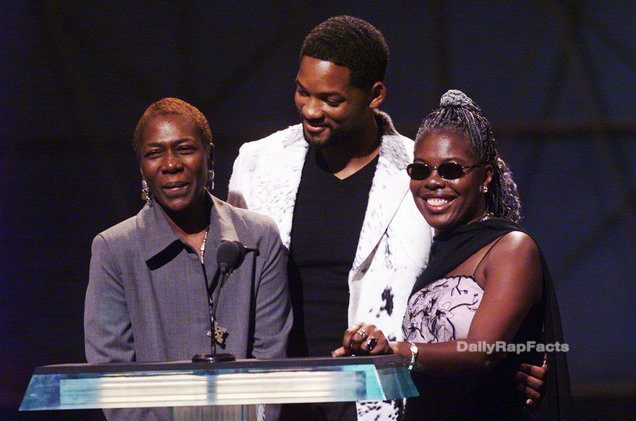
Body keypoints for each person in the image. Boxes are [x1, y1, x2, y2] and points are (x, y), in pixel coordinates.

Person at [228, 15, 546, 420]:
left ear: (374, 95)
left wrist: (522, 359)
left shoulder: (424, 173)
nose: (311, 110)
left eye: (331, 99)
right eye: (301, 91)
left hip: (380, 397)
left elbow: (479, 276)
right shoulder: (257, 163)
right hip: (277, 391)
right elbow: (234, 283)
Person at [334, 90, 571, 419]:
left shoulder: (510, 248)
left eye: (451, 170)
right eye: (420, 170)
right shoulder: (435, 253)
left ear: (485, 177)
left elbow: (482, 353)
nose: (432, 181)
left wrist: (401, 351)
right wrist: (371, 347)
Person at [84, 97, 292, 420]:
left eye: (184, 149)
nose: (170, 164)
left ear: (209, 155)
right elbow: (113, 380)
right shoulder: (114, 251)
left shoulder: (259, 238)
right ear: (142, 168)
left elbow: (271, 362)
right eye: (154, 153)